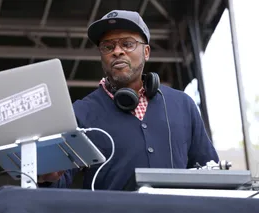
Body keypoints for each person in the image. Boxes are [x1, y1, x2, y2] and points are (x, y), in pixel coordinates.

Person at [38, 10, 219, 190]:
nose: (117, 51)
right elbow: (57, 182)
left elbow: (210, 172)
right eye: (108, 47)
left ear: (146, 52)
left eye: (127, 44)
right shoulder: (80, 113)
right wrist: (47, 176)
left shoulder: (182, 105)